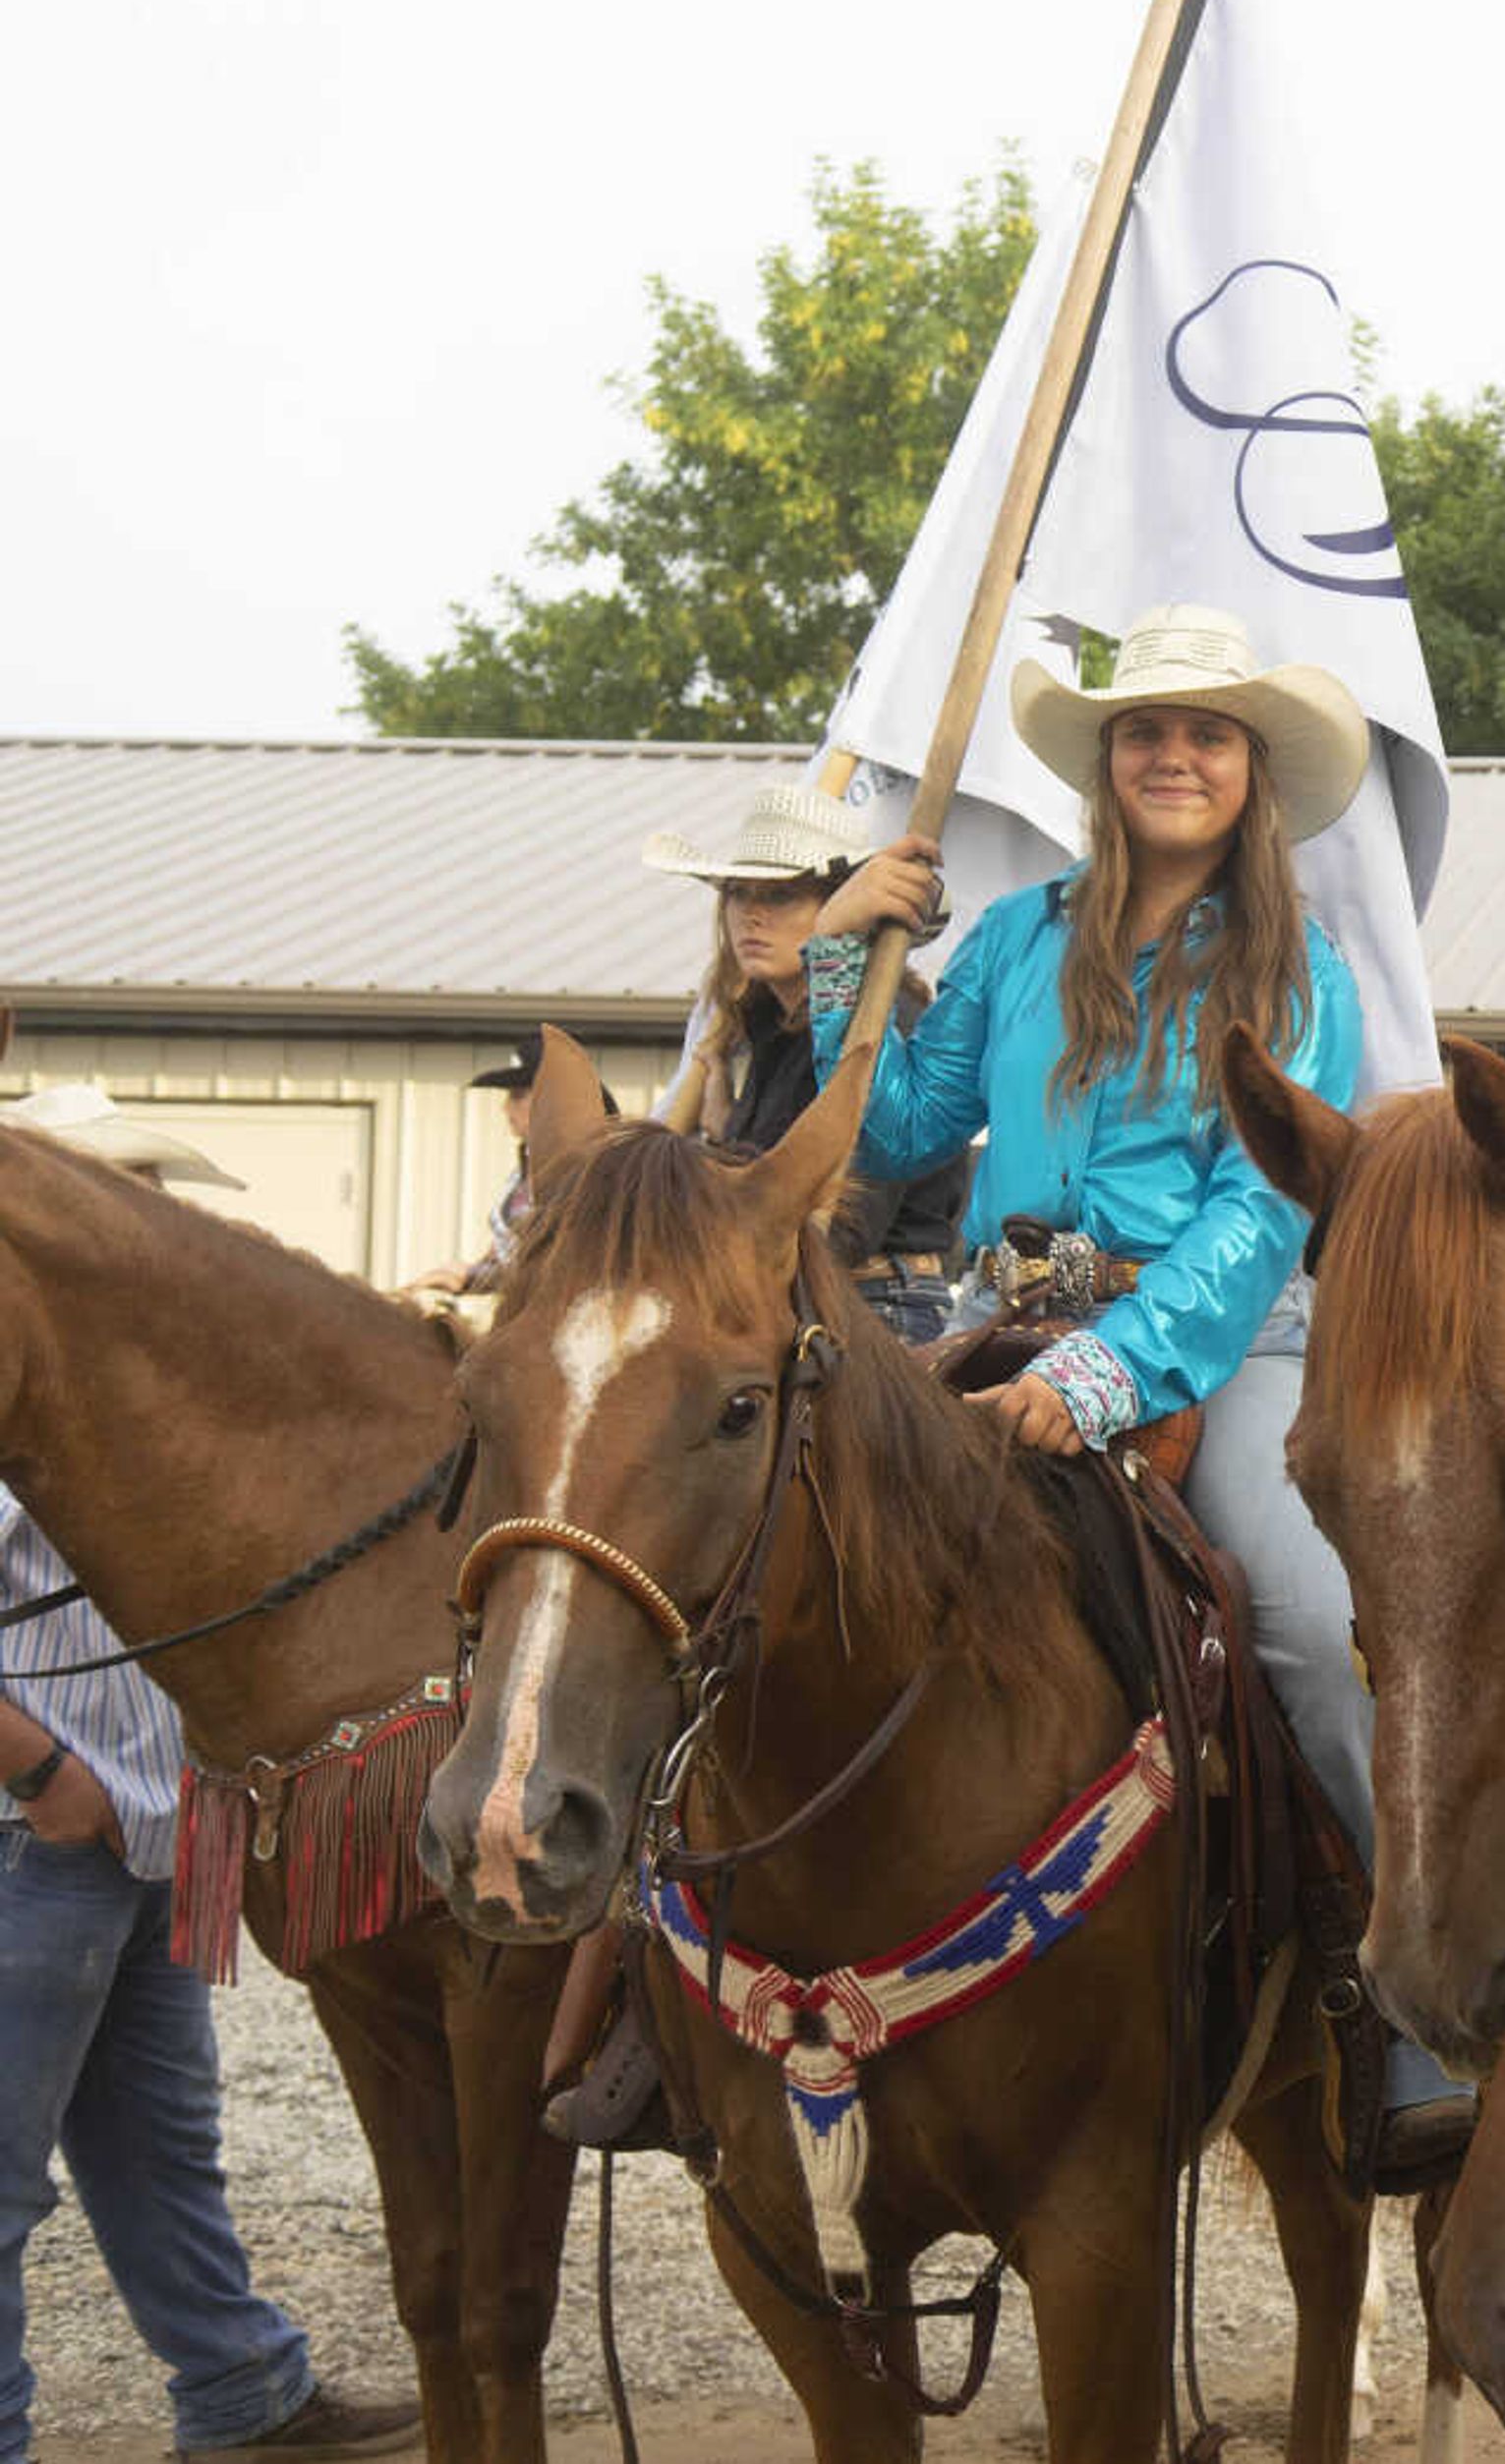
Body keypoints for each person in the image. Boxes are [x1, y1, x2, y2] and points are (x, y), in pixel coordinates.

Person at [808, 602, 1471, 2184]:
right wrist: (849, 950)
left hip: (1224, 1349)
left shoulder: (1302, 966)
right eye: (1149, 732)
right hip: (990, 1326)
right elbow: (893, 1131)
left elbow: (1260, 1211)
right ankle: (692, 1983)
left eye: (1208, 734)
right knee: (786, 1548)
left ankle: (1415, 2006)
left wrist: (1115, 1368)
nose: (1175, 755)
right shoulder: (1017, 938)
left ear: (1252, 774)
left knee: (1316, 1634)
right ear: (1108, 764)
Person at [0, 1088, 422, 2462]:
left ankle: (242, 2389)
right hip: (43, 1822)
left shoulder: (151, 1431)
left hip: (147, 1822)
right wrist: (41, 1773)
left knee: (160, 2142)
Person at [641, 783, 972, 1343]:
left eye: (780, 896)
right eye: (738, 894)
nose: (751, 916)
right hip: (784, 1293)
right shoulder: (765, 1030)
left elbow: (847, 1227)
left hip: (876, 1306)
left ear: (843, 907)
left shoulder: (888, 1021)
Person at [414, 1037, 611, 1295]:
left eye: (517, 1096)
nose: (505, 1108)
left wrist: (471, 1277)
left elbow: (558, 1266)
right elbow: (508, 1250)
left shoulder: (583, 1174)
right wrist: (467, 1271)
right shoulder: (526, 1168)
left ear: (550, 1101)